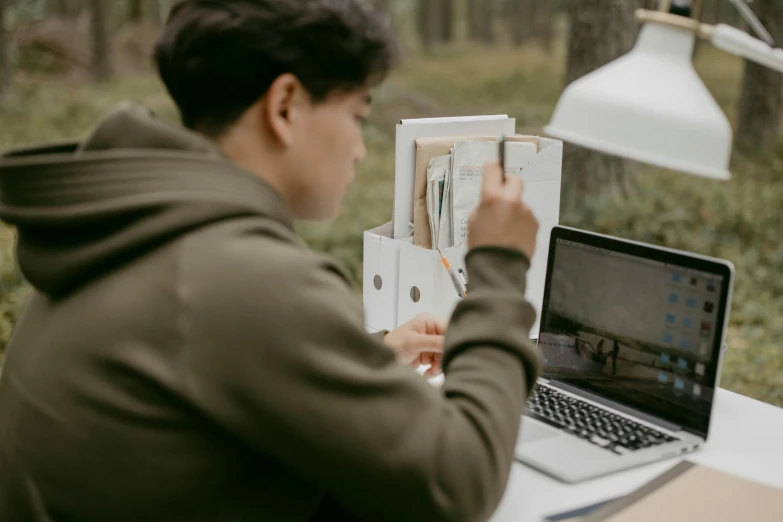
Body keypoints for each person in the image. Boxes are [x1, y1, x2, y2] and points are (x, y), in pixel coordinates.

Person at [0, 1, 541, 521]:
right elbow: (461, 481)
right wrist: (496, 268)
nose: (359, 149)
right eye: (356, 115)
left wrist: (357, 363)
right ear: (285, 106)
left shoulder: (132, 225)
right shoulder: (240, 275)